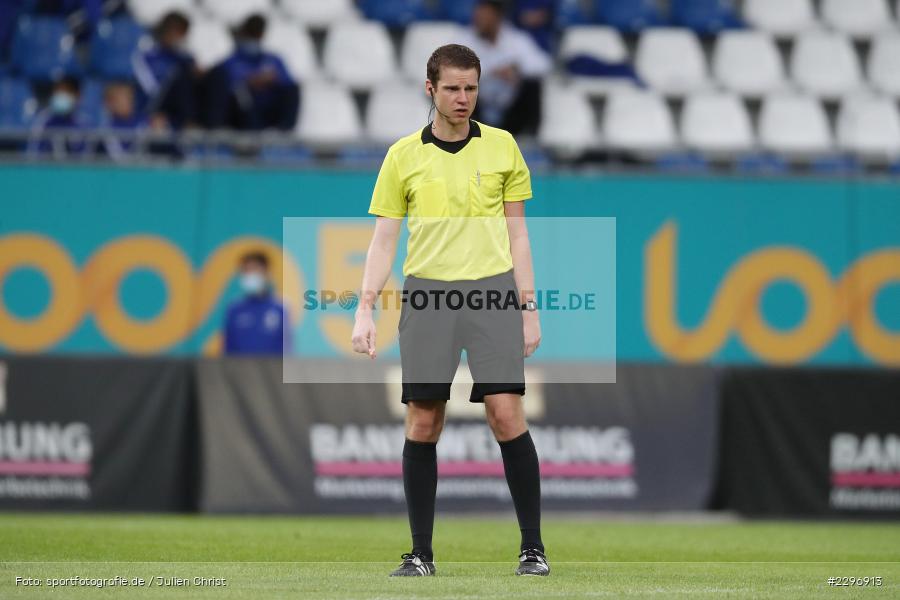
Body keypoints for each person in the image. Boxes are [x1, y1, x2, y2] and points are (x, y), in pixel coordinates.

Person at [351, 44, 548, 577]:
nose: (463, 98)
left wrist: (529, 307)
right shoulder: (402, 157)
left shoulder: (504, 147)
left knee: (506, 414)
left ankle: (533, 549)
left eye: (471, 88)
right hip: (428, 295)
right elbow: (382, 241)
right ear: (430, 89)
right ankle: (420, 554)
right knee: (423, 420)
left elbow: (519, 234)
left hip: (492, 294)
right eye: (453, 88)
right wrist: (364, 311)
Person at [456, 0, 551, 136]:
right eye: (478, 16)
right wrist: (492, 71)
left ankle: (529, 139)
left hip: (510, 108)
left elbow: (543, 65)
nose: (480, 20)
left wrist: (517, 69)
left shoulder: (516, 39)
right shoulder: (464, 39)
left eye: (485, 16)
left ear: (498, 16)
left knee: (533, 85)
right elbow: (449, 67)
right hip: (476, 108)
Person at [202, 14, 299, 131]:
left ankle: (284, 130)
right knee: (242, 93)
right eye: (251, 34)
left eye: (257, 34)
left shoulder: (274, 60)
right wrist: (249, 81)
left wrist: (272, 81)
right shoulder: (232, 61)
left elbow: (287, 83)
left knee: (293, 89)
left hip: (268, 108)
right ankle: (251, 132)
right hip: (242, 113)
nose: (253, 39)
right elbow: (222, 85)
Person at [132, 11, 198, 131]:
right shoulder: (147, 56)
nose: (179, 38)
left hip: (177, 109)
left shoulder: (185, 59)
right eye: (177, 32)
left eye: (183, 34)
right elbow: (151, 90)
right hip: (153, 108)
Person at [224, 251, 292, 355]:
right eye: (246, 271)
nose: (250, 275)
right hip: (241, 370)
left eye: (255, 270)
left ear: (267, 274)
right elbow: (228, 350)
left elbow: (287, 349)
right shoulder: (234, 310)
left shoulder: (281, 309)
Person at [27, 76, 88, 158]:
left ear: (77, 95)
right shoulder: (43, 121)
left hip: (78, 169)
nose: (61, 95)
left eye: (66, 91)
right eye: (58, 91)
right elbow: (34, 153)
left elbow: (89, 156)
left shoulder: (84, 123)